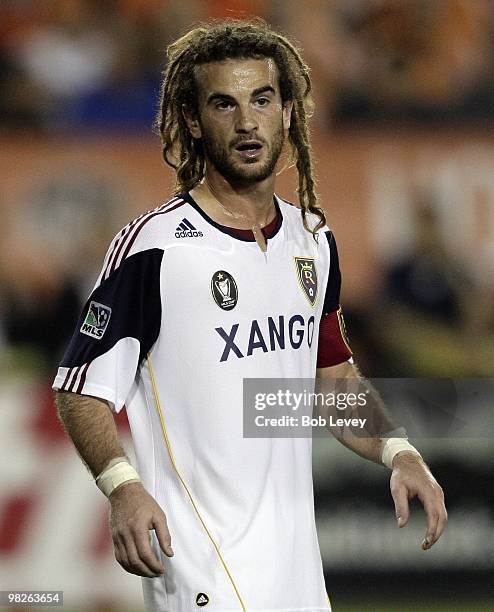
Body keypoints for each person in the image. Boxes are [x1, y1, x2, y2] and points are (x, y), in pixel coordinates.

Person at [54, 19, 447, 612]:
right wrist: (122, 487)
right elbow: (78, 389)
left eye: (262, 100)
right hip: (198, 564)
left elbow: (333, 379)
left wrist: (398, 450)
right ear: (192, 121)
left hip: (295, 572)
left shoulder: (312, 240)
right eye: (223, 104)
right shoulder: (156, 250)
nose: (245, 122)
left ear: (287, 112)